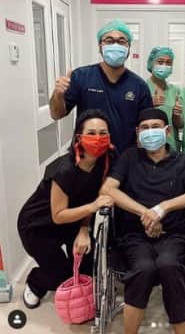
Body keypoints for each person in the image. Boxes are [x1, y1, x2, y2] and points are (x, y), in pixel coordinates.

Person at [101, 108, 185, 334]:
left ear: (167, 131)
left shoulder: (184, 161)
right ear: (137, 132)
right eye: (145, 128)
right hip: (134, 235)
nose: (150, 132)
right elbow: (108, 189)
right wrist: (146, 213)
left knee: (169, 266)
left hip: (175, 235)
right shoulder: (129, 158)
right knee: (143, 268)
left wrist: (163, 208)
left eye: (155, 127)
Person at [17, 109, 115, 309]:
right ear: (79, 138)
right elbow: (58, 215)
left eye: (103, 133)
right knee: (59, 275)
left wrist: (84, 229)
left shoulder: (104, 163)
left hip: (73, 220)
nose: (98, 138)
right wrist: (93, 206)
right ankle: (36, 282)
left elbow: (88, 197)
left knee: (87, 264)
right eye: (91, 133)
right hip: (39, 225)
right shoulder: (64, 169)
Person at [49, 19, 152, 152]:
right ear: (100, 47)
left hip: (123, 158)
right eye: (109, 41)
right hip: (87, 157)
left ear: (128, 48)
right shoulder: (81, 76)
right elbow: (56, 114)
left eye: (121, 41)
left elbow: (145, 127)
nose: (115, 45)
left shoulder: (139, 86)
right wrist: (58, 94)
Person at [146, 46, 183, 151]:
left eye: (168, 63)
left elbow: (179, 125)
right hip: (150, 144)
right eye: (160, 62)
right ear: (151, 63)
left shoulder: (175, 90)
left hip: (171, 145)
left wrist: (177, 114)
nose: (164, 66)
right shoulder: (143, 88)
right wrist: (148, 104)